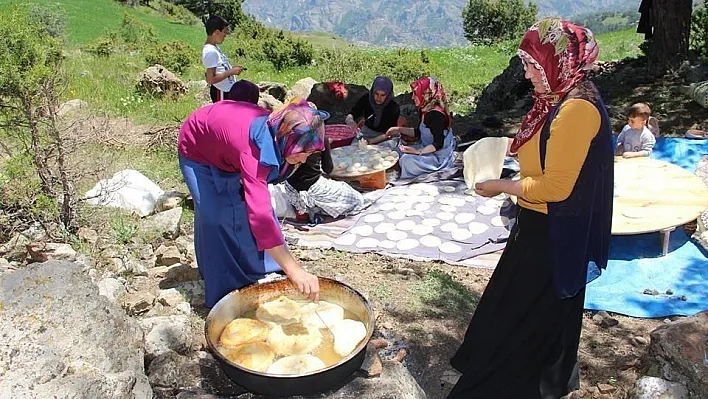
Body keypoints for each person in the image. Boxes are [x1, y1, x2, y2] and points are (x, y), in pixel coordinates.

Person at [447, 18, 614, 399]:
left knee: (526, 313)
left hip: (554, 230)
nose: (526, 74)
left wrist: (501, 187)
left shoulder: (576, 110)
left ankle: (517, 381)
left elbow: (556, 187)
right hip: (537, 222)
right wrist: (500, 146)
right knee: (520, 303)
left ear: (557, 62)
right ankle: (546, 371)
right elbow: (541, 143)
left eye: (532, 65)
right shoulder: (556, 99)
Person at [178, 97, 325, 308]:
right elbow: (261, 216)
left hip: (228, 146)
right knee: (216, 218)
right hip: (198, 147)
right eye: (301, 153)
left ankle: (264, 267)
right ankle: (225, 288)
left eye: (309, 153)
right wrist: (296, 270)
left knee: (243, 208)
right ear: (285, 139)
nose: (303, 160)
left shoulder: (280, 131)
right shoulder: (254, 152)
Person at [384, 76, 456, 180]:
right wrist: (398, 129)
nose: (413, 97)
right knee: (396, 152)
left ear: (426, 94)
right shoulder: (424, 109)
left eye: (415, 93)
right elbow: (419, 132)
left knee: (406, 160)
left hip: (438, 157)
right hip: (426, 149)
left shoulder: (436, 115)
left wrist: (418, 152)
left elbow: (438, 144)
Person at [283, 136, 367, 223]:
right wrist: (326, 146)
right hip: (313, 188)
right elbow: (328, 169)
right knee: (357, 199)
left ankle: (303, 209)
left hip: (291, 189)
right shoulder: (319, 138)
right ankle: (311, 208)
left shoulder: (285, 139)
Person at [344, 76, 400, 143]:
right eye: (376, 94)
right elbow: (352, 113)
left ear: (388, 95)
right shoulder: (366, 99)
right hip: (366, 133)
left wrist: (370, 141)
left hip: (385, 137)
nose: (379, 98)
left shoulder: (393, 107)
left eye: (383, 95)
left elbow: (389, 133)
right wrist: (351, 122)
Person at [202, 15, 244, 103]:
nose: (225, 35)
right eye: (224, 32)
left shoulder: (215, 48)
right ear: (217, 32)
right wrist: (231, 72)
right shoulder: (210, 52)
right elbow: (210, 79)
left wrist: (232, 70)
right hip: (221, 92)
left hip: (226, 90)